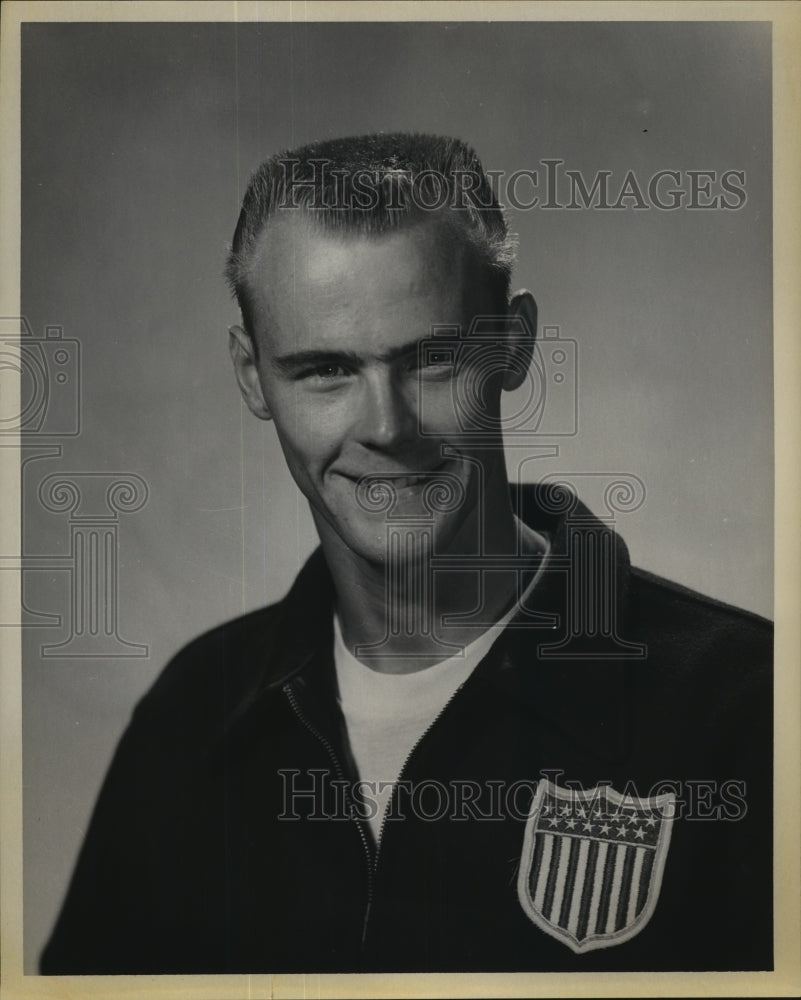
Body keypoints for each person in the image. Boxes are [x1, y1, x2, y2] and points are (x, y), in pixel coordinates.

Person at [40, 133, 772, 975]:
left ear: (514, 343)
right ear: (251, 377)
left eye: (430, 360)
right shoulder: (188, 719)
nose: (386, 427)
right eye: (324, 370)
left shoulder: (750, 714)